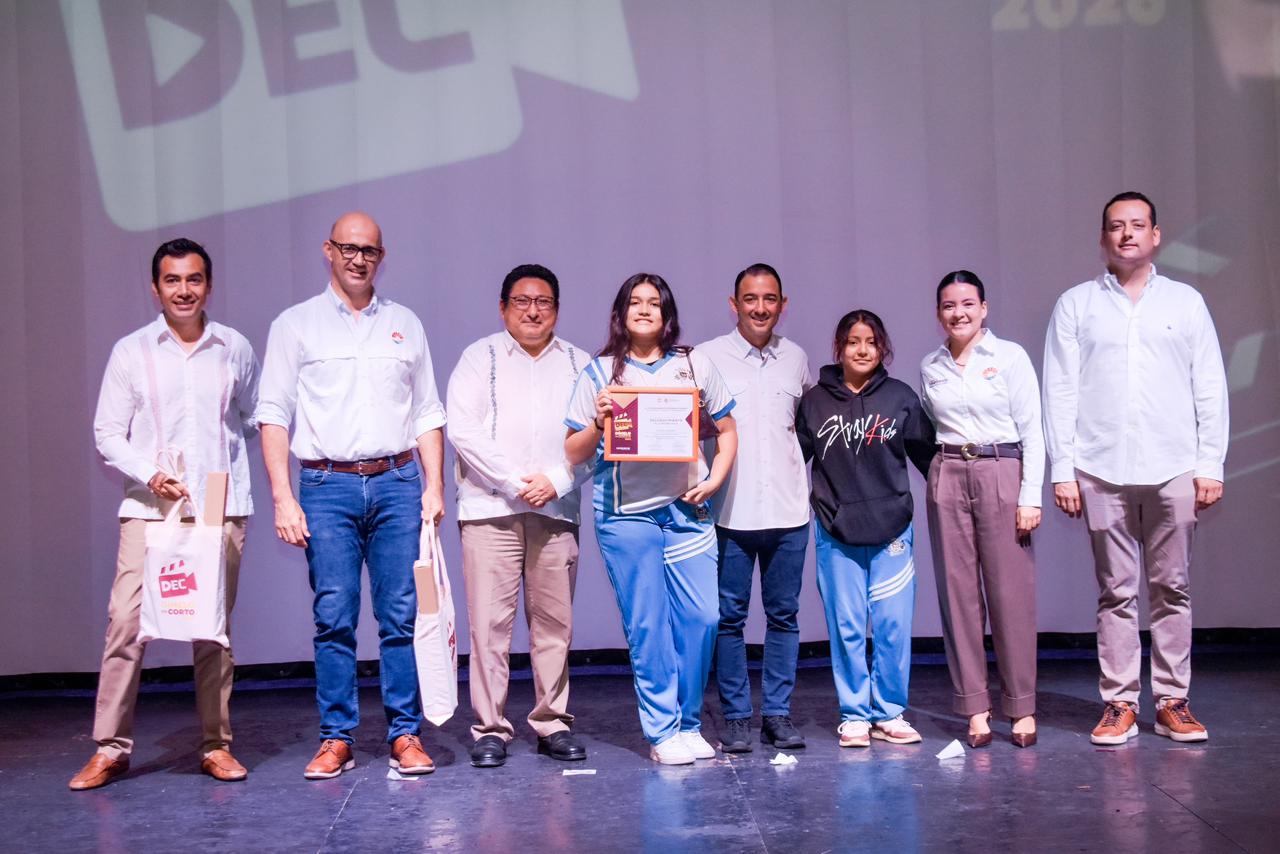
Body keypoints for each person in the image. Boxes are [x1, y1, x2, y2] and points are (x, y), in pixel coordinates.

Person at [258, 211, 446, 778]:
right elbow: (273, 414)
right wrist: (282, 497)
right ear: (328, 250)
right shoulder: (296, 325)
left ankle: (405, 734)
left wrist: (435, 485)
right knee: (334, 617)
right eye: (349, 248)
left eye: (370, 250)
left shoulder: (405, 324)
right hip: (325, 487)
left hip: (397, 484)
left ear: (381, 257)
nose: (359, 259)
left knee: (401, 616)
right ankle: (336, 738)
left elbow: (426, 411)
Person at [71, 238, 259, 790]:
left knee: (213, 630)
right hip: (150, 508)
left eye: (194, 279)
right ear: (155, 288)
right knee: (126, 623)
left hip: (219, 508)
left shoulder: (234, 348)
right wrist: (152, 472)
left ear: (209, 285)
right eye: (172, 280)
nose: (184, 290)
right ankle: (110, 748)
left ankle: (216, 746)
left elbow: (252, 417)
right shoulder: (132, 351)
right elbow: (108, 432)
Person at [1043, 192, 1228, 745]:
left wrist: (1210, 463)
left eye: (1137, 225)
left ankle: (1172, 700)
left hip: (1175, 465)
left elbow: (1209, 384)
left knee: (1173, 587)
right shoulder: (1076, 304)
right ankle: (1119, 702)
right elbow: (1059, 389)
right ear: (1103, 238)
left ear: (1155, 235)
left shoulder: (1185, 303)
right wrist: (1062, 469)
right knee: (1115, 591)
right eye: (1116, 226)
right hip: (1100, 467)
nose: (1127, 234)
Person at [564, 273, 738, 765]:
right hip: (626, 515)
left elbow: (728, 431)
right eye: (635, 302)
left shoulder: (694, 364)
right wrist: (598, 422)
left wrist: (715, 479)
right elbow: (573, 451)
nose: (644, 310)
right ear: (621, 313)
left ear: (667, 314)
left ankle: (689, 723)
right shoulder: (599, 373)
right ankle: (663, 732)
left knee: (703, 618)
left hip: (687, 509)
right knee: (649, 626)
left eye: (654, 303)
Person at [446, 264, 589, 768]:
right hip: (490, 510)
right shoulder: (478, 357)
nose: (532, 311)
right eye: (522, 301)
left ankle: (553, 723)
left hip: (556, 509)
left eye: (543, 302)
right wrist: (514, 483)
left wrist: (558, 480)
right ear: (503, 307)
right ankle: (490, 728)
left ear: (557, 310)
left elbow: (596, 438)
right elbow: (463, 430)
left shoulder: (580, 363)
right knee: (489, 627)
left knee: (554, 625)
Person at [795, 309, 935, 748]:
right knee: (848, 626)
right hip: (836, 532)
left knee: (892, 626)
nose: (862, 350)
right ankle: (854, 713)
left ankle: (889, 712)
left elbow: (930, 460)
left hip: (893, 531)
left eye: (871, 342)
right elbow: (791, 460)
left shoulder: (900, 398)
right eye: (853, 341)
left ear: (882, 348)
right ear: (839, 348)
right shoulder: (815, 402)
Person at [920, 270, 1043, 749]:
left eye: (968, 303)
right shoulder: (930, 365)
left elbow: (1033, 431)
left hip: (1001, 469)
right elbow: (930, 423)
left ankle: (1021, 706)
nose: (959, 313)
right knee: (958, 595)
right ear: (938, 313)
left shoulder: (1009, 357)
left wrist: (1030, 495)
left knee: (1010, 595)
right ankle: (975, 706)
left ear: (984, 308)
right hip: (949, 471)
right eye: (949, 305)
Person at [697, 263, 813, 752]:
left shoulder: (797, 358)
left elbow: (802, 428)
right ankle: (738, 717)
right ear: (734, 304)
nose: (760, 308)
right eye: (750, 299)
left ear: (782, 304)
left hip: (789, 513)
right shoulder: (706, 357)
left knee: (784, 617)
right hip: (731, 512)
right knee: (729, 619)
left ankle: (778, 715)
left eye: (769, 299)